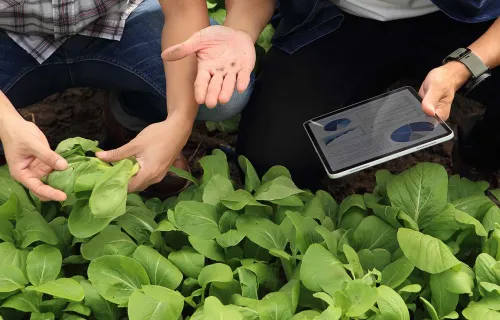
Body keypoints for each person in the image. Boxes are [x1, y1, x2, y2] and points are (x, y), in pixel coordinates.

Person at [0, 0, 275, 201]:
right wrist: (8, 124)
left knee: (221, 91)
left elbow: (183, 8)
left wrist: (179, 120)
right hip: (10, 36)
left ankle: (132, 117)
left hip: (119, 19)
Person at [236, 0, 500, 189]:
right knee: (275, 164)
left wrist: (463, 66)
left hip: (462, 18)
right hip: (341, 18)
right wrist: (239, 34)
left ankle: (478, 150)